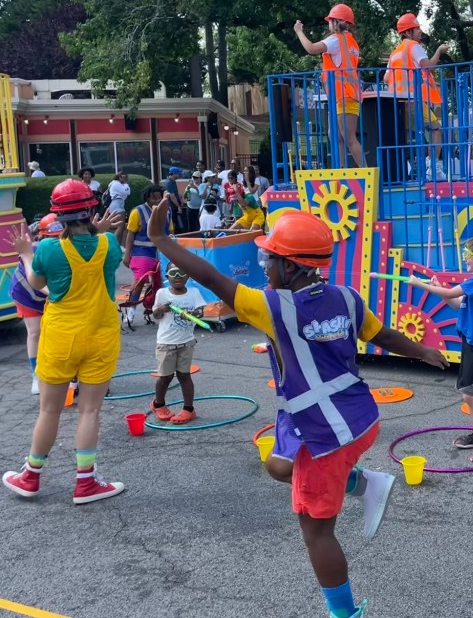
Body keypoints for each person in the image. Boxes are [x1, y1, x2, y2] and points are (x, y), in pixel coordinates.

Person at [147, 204, 447, 618]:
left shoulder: (273, 306)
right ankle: (364, 482)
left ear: (291, 267)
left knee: (316, 533)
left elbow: (211, 278)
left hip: (325, 434)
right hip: (356, 417)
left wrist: (162, 241)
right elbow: (385, 336)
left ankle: (345, 614)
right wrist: (423, 352)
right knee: (277, 466)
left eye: (268, 258)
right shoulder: (346, 297)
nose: (264, 266)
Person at [3, 179, 126, 505]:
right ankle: (85, 483)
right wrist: (99, 231)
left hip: (60, 337)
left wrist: (27, 254)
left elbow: (36, 282)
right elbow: (105, 255)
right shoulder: (109, 244)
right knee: (90, 410)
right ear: (92, 210)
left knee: (49, 410)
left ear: (56, 215)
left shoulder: (48, 248)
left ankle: (30, 476)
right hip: (100, 336)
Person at [409, 235, 473, 463]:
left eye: (467, 256)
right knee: (467, 393)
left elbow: (452, 294)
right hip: (472, 342)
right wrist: (436, 288)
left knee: (470, 395)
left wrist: (418, 284)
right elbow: (455, 303)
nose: (465, 260)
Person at [295, 4, 366, 169]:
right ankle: (340, 170)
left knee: (348, 138)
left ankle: (367, 173)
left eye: (330, 21)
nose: (328, 24)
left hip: (344, 94)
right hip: (345, 94)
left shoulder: (336, 39)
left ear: (336, 22)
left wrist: (299, 31)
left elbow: (311, 48)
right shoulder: (352, 43)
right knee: (335, 136)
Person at [385, 12, 449, 180]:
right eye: (416, 28)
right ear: (407, 33)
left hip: (397, 102)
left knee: (403, 135)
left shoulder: (394, 53)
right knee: (436, 129)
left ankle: (404, 166)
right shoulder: (413, 46)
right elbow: (427, 66)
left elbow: (386, 78)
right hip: (413, 100)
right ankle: (433, 168)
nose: (420, 31)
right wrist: (439, 51)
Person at [9, 214, 64, 395]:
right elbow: (38, 282)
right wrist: (58, 294)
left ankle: (61, 373)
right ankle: (36, 376)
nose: (57, 240)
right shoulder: (33, 251)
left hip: (50, 293)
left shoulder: (68, 249)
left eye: (61, 236)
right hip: (27, 293)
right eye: (52, 237)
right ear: (42, 236)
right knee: (35, 331)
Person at [149, 264, 206, 425]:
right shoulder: (162, 293)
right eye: (174, 273)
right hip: (166, 343)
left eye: (182, 273)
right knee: (165, 377)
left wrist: (192, 315)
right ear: (167, 276)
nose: (178, 276)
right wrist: (162, 308)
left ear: (188, 276)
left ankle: (189, 409)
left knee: (184, 375)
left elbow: (200, 312)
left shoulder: (194, 293)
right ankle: (158, 404)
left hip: (186, 342)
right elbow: (155, 314)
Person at [123, 186, 173, 323]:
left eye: (159, 197)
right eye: (153, 198)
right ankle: (130, 310)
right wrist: (127, 254)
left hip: (162, 252)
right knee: (140, 280)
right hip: (142, 252)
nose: (156, 201)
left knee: (163, 283)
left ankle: (157, 309)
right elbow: (130, 234)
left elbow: (170, 232)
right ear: (147, 198)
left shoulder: (168, 210)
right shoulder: (137, 212)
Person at [163, 166, 186, 233]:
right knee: (173, 222)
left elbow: (175, 193)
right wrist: (178, 207)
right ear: (174, 174)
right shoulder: (169, 183)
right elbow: (172, 197)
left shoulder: (173, 182)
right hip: (171, 206)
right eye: (178, 174)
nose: (179, 175)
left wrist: (180, 196)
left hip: (174, 205)